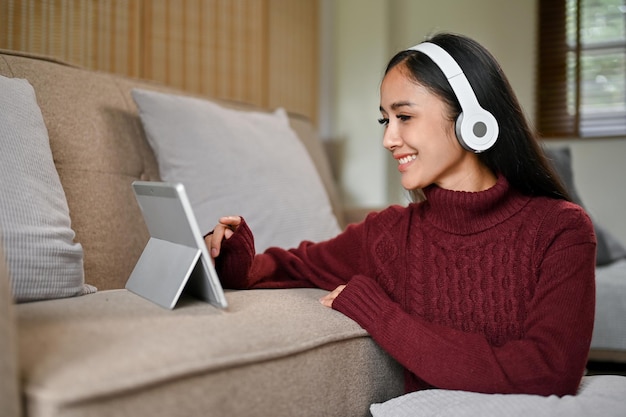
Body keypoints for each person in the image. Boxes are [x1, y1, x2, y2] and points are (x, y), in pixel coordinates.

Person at [205, 32, 596, 397]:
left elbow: (549, 371)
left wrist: (381, 316)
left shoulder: (561, 228)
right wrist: (233, 258)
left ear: (473, 121)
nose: (388, 139)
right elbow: (291, 267)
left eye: (404, 117)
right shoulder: (388, 233)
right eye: (384, 120)